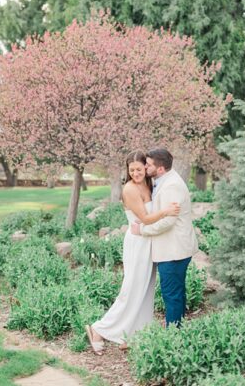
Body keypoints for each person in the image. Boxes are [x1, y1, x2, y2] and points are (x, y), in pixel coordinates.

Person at [85, 151, 179, 355]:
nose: (136, 173)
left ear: (146, 167)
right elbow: (145, 218)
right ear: (127, 171)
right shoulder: (129, 189)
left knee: (146, 291)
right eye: (132, 170)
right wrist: (165, 212)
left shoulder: (149, 184)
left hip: (150, 242)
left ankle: (137, 335)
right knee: (130, 290)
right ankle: (98, 329)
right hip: (137, 242)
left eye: (139, 168)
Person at [131, 147, 198, 327]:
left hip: (174, 250)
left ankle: (173, 336)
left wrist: (143, 230)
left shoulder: (172, 186)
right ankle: (179, 330)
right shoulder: (163, 180)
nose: (145, 167)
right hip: (173, 248)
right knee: (176, 292)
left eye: (148, 164)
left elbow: (168, 221)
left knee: (172, 294)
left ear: (160, 169)